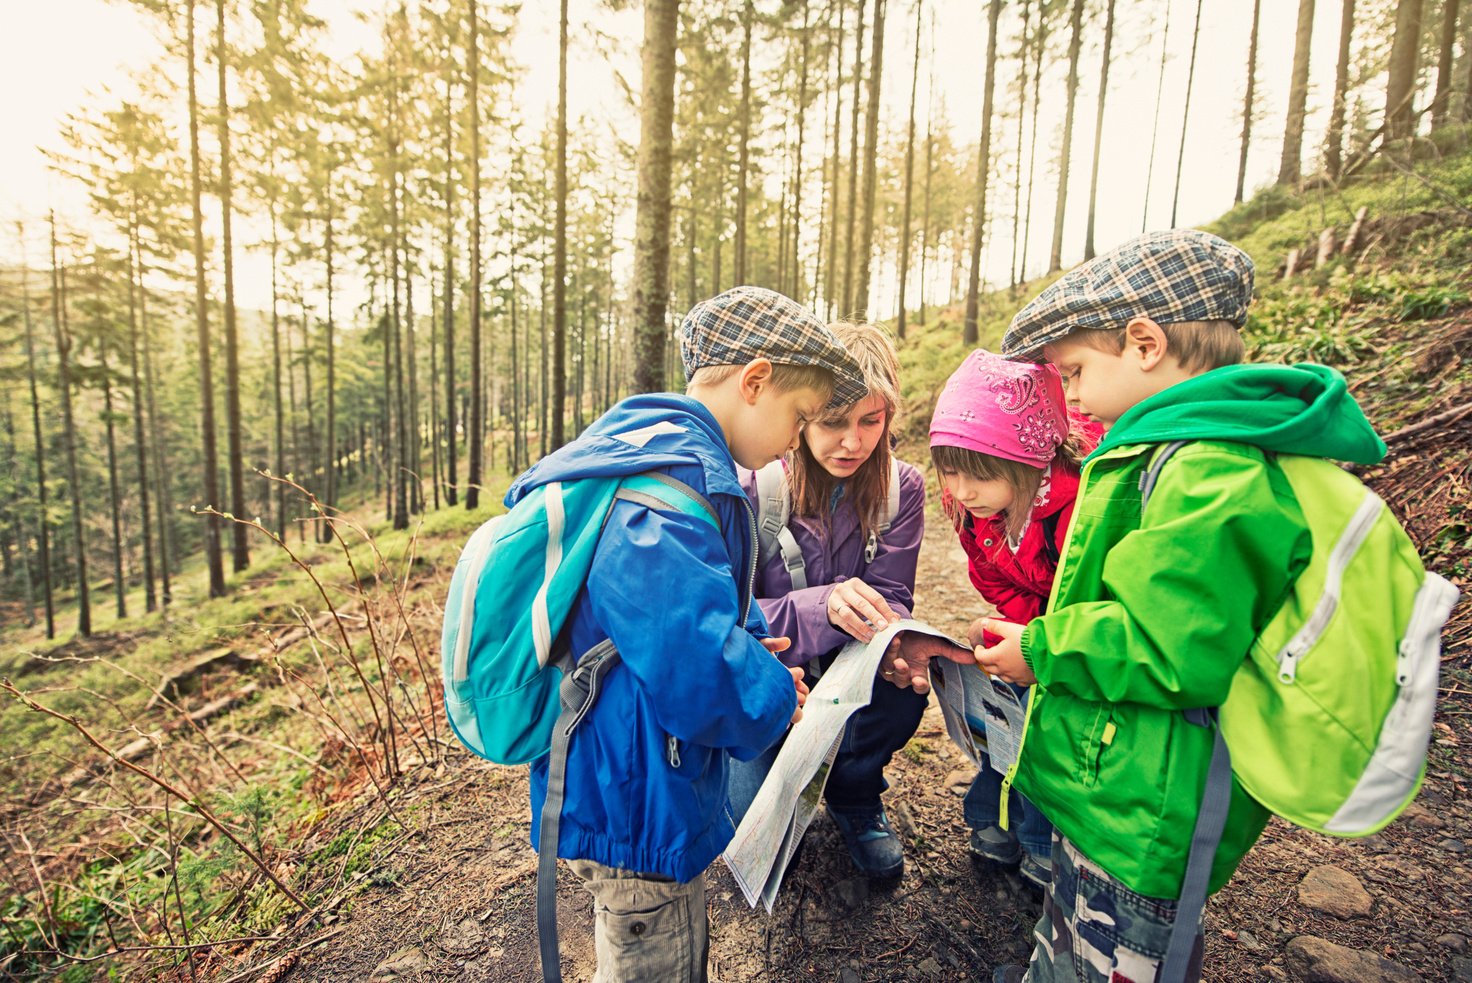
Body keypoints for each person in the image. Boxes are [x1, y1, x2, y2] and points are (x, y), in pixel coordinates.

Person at [978, 230, 1386, 983]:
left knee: (1124, 947)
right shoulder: (1171, 449)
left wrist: (1042, 650)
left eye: (1073, 371)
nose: (1069, 395)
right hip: (1116, 781)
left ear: (1143, 343)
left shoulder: (1209, 469)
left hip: (1153, 806)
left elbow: (1169, 645)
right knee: (1072, 923)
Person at [519, 285, 867, 982]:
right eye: (799, 417)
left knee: (663, 940)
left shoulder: (666, 458)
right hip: (634, 791)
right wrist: (771, 694)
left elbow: (699, 611)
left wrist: (751, 648)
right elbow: (691, 663)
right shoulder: (668, 487)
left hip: (636, 767)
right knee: (655, 957)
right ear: (755, 381)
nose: (799, 437)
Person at [726, 321, 929, 882]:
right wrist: (822, 607)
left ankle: (856, 794)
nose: (853, 442)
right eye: (834, 422)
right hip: (770, 668)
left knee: (901, 689)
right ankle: (765, 780)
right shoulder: (752, 485)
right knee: (752, 827)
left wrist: (896, 641)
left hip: (848, 668)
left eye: (871, 421)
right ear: (802, 417)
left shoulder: (900, 488)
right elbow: (728, 614)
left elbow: (892, 594)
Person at [926, 349, 1097, 891]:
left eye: (979, 474)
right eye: (949, 472)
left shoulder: (1079, 504)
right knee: (1006, 729)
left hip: (1072, 646)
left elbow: (1088, 595)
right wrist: (1010, 629)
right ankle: (994, 820)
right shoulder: (974, 510)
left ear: (1027, 462)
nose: (961, 490)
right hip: (1032, 634)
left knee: (1052, 742)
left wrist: (1038, 642)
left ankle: (1044, 843)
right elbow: (992, 578)